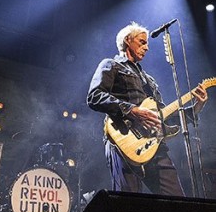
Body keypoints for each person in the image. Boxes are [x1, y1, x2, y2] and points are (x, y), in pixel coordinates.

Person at [87, 22, 207, 195]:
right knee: (128, 204)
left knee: (177, 201)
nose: (147, 47)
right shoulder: (111, 65)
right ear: (128, 40)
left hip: (155, 146)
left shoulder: (149, 80)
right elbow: (94, 96)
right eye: (142, 42)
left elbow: (163, 117)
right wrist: (133, 111)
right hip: (124, 142)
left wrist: (196, 108)